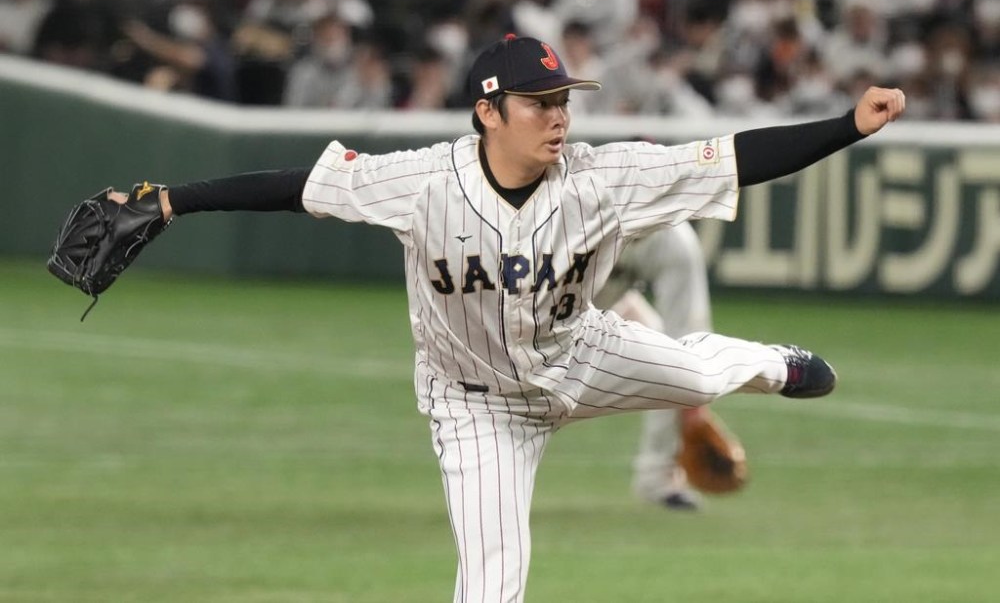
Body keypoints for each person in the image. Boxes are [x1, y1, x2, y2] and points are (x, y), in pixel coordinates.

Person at [104, 34, 905, 603]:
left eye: (564, 102)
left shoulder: (603, 176)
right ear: (488, 111)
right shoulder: (420, 183)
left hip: (583, 353)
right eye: (540, 103)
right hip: (477, 406)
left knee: (699, 371)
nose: (560, 117)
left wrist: (848, 127)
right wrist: (173, 201)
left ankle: (773, 362)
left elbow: (736, 158)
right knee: (492, 587)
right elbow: (294, 185)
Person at [593, 222, 721, 511]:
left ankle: (657, 475)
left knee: (668, 357)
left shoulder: (673, 238)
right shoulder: (569, 208)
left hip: (601, 313)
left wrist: (694, 412)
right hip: (521, 316)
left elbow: (688, 338)